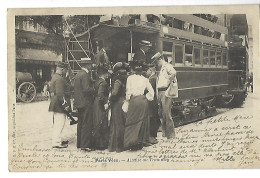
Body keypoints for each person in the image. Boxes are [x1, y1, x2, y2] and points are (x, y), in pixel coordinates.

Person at [124, 63, 154, 150]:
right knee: (142, 121)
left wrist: (128, 99)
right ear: (141, 72)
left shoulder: (129, 78)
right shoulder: (145, 79)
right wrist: (146, 97)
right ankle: (140, 142)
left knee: (132, 120)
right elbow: (151, 92)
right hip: (142, 100)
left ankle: (131, 142)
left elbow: (128, 91)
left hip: (134, 101)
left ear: (134, 71)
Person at [152, 52, 177, 139]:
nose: (156, 64)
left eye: (156, 62)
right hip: (161, 92)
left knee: (167, 113)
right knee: (162, 113)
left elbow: (173, 73)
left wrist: (167, 82)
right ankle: (166, 134)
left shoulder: (167, 66)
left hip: (165, 92)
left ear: (160, 59)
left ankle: (171, 135)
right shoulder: (162, 68)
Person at [49, 62, 71, 148]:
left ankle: (57, 140)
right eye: (65, 70)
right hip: (59, 104)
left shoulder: (55, 77)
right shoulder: (59, 79)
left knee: (57, 123)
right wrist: (65, 104)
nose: (65, 72)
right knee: (59, 123)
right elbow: (59, 93)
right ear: (62, 69)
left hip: (56, 102)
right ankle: (56, 142)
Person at [73, 63, 95, 152]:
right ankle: (85, 145)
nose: (91, 66)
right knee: (87, 123)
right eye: (90, 65)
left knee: (80, 123)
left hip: (79, 103)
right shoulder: (85, 75)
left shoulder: (78, 74)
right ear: (88, 65)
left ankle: (79, 143)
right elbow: (86, 89)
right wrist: (94, 89)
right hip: (86, 103)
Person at [108, 62, 129, 152]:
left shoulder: (117, 81)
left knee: (117, 124)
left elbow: (114, 93)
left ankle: (116, 147)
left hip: (117, 103)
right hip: (124, 101)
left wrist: (110, 100)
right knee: (122, 123)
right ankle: (123, 145)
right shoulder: (127, 80)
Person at [92, 66, 110, 150]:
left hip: (96, 102)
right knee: (101, 122)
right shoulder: (103, 82)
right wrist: (104, 103)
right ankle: (101, 144)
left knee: (97, 121)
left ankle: (96, 142)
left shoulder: (97, 81)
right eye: (107, 73)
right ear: (104, 74)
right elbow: (100, 94)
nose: (108, 75)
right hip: (100, 103)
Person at [145, 64, 160, 144]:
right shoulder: (154, 77)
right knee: (153, 117)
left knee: (152, 118)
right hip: (154, 101)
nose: (146, 72)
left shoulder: (152, 79)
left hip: (151, 102)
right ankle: (153, 136)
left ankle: (152, 137)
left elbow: (147, 89)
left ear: (150, 70)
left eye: (147, 70)